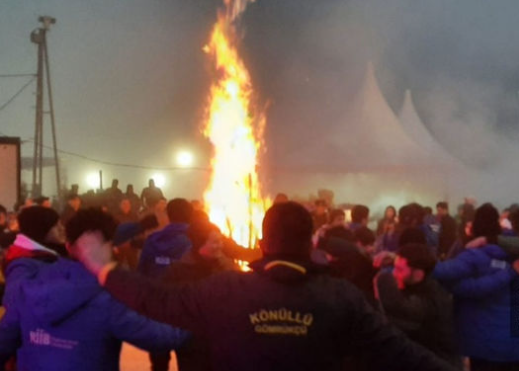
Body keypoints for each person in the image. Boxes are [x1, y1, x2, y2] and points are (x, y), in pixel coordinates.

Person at [78, 202, 458, 371]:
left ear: (263, 243)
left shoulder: (226, 290)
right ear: (310, 243)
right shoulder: (341, 297)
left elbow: (153, 299)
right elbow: (403, 354)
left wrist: (105, 268)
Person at [0, 208, 189, 371]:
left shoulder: (29, 285)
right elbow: (162, 338)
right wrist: (198, 310)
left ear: (68, 246)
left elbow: (4, 340)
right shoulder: (108, 298)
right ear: (111, 249)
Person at [433, 203, 519, 370]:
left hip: (484, 343)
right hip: (513, 340)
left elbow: (444, 273)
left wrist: (404, 259)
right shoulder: (511, 253)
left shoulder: (474, 254)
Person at [153, 220, 239, 371]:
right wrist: (160, 364)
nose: (220, 246)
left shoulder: (228, 270)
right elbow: (162, 319)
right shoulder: (177, 274)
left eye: (220, 241)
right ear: (200, 243)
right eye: (214, 242)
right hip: (192, 352)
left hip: (226, 352)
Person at [375, 244, 460, 367]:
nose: (394, 273)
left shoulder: (432, 298)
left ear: (418, 274)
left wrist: (383, 278)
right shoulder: (412, 286)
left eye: (399, 269)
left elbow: (399, 308)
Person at [138, 198, 193, 280]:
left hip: (155, 289)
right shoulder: (196, 241)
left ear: (168, 215)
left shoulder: (152, 241)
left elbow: (142, 271)